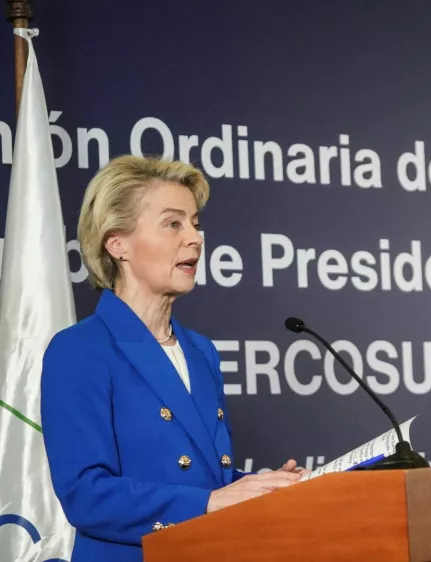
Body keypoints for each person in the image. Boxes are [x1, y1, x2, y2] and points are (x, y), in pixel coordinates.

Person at [41, 155, 307, 562]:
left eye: (195, 223)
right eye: (173, 224)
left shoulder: (201, 351)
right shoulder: (79, 350)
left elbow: (206, 478)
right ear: (118, 244)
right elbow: (86, 495)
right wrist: (210, 503)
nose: (196, 238)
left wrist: (259, 486)